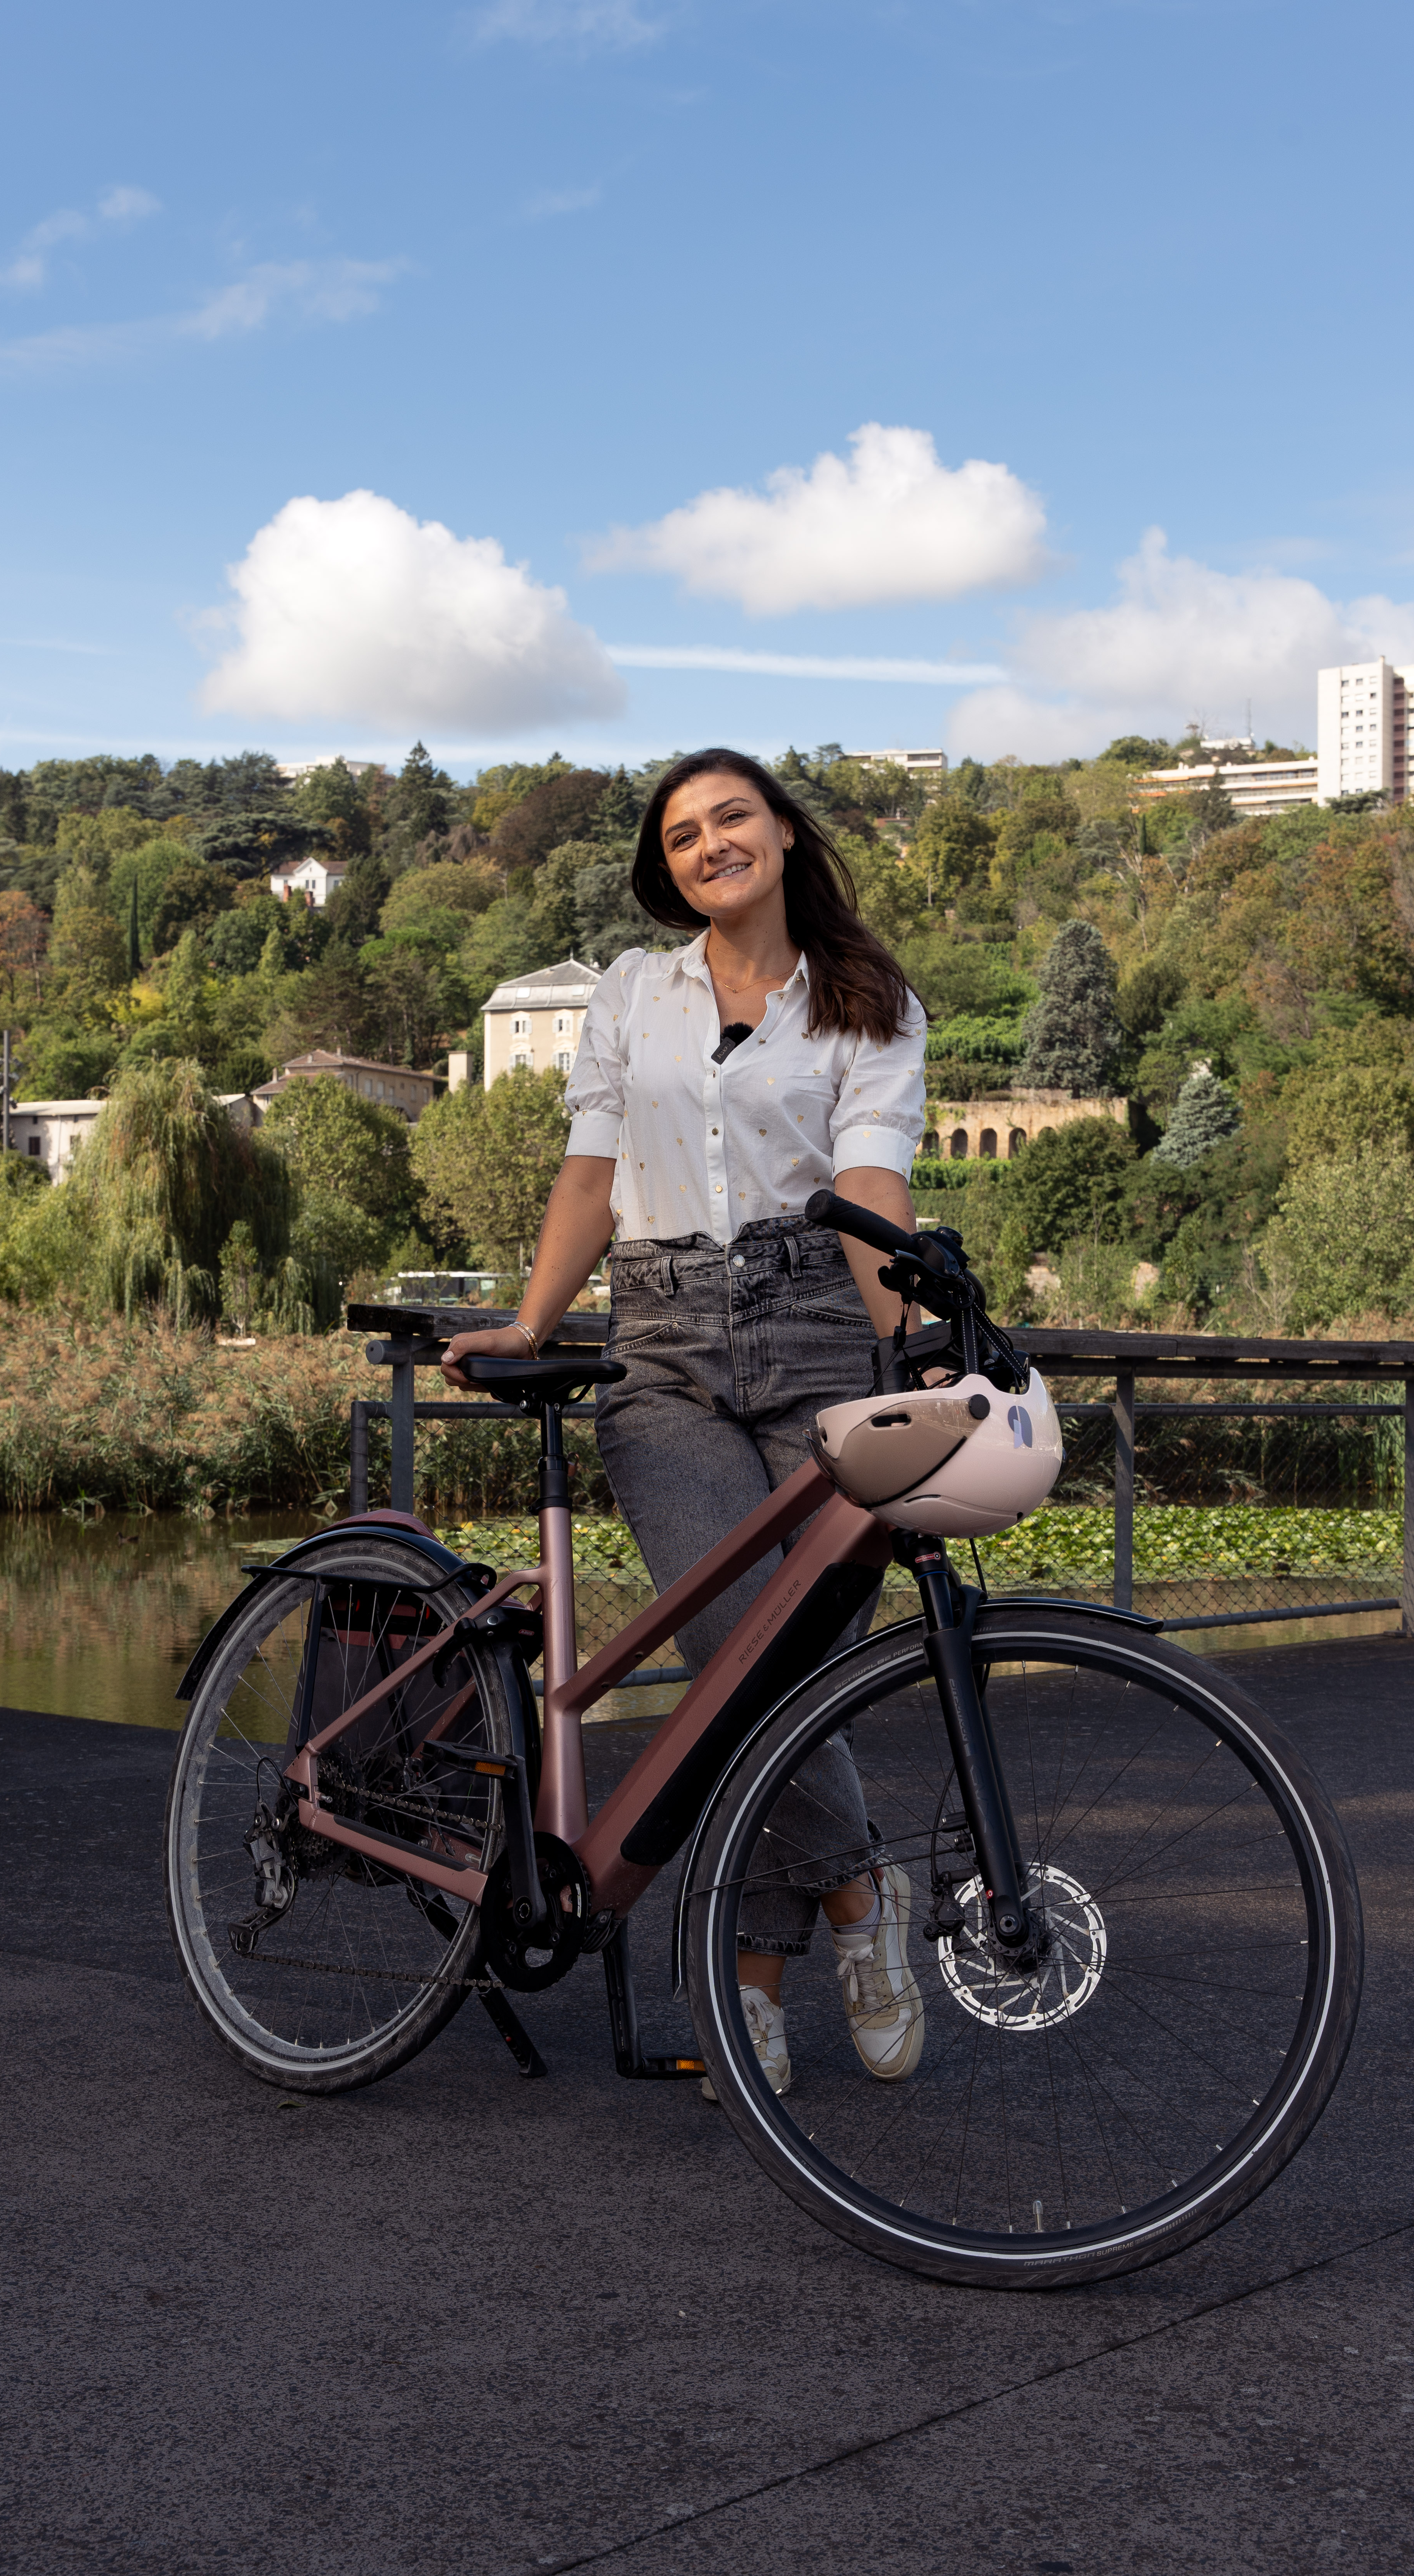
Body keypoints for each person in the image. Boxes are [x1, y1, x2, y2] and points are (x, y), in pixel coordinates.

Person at [441, 748, 928, 2099]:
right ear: (666, 869)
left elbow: (870, 1182)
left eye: (732, 818)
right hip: (658, 1348)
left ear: (782, 831)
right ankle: (859, 1899)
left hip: (821, 1335)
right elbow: (592, 1173)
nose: (711, 843)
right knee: (739, 1653)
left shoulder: (869, 1003)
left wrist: (911, 1341)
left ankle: (748, 1997)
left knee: (794, 1675)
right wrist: (536, 1324)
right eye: (682, 833)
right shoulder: (629, 993)